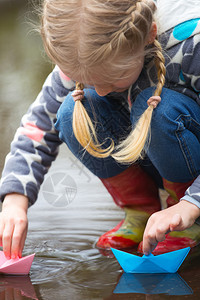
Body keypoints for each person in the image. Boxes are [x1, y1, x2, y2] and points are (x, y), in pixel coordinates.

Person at [1, 0, 200, 259]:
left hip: (190, 163)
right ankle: (140, 212)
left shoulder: (191, 47)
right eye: (89, 80)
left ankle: (186, 218)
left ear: (149, 35)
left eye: (111, 78)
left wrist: (191, 203)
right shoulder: (80, 55)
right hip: (148, 157)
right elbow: (37, 128)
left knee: (158, 109)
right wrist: (15, 200)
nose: (102, 90)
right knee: (73, 109)